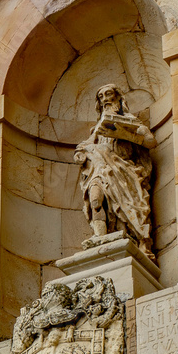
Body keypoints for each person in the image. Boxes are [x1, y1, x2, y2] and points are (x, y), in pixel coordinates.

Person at [75, 84, 156, 259]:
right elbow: (85, 145)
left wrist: (123, 133)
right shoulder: (96, 130)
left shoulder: (130, 120)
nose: (105, 99)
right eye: (101, 96)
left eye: (108, 94)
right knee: (95, 199)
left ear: (118, 98)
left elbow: (150, 141)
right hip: (99, 168)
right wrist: (81, 153)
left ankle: (141, 241)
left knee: (133, 208)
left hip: (124, 170)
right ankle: (100, 239)